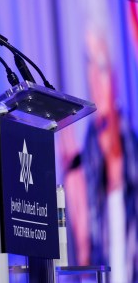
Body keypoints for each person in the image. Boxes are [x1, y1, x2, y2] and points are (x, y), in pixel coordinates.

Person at [61, 29, 138, 283]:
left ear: (115, 76)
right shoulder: (83, 164)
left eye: (101, 66)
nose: (95, 77)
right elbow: (85, 262)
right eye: (90, 65)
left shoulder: (131, 148)